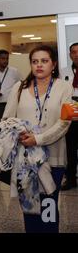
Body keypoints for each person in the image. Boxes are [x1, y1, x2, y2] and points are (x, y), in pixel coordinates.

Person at [3, 45, 72, 233]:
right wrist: (18, 134)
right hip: (24, 162)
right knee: (29, 210)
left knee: (48, 211)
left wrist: (38, 139)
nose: (39, 65)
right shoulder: (20, 88)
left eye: (44, 61)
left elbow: (64, 123)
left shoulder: (63, 87)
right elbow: (7, 120)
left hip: (53, 160)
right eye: (35, 62)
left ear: (54, 64)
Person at [60, 42, 78, 190]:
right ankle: (71, 179)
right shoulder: (64, 71)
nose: (76, 54)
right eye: (73, 52)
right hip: (70, 108)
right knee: (70, 147)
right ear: (70, 54)